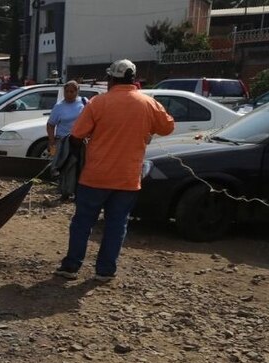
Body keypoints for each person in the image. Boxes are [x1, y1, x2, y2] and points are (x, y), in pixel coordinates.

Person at [55, 59, 174, 283]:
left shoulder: (98, 103)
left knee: (82, 223)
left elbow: (77, 135)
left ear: (111, 79)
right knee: (116, 224)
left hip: (95, 177)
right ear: (134, 79)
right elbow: (167, 127)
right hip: (127, 180)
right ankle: (105, 271)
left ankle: (71, 266)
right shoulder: (148, 103)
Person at [47, 81, 87, 201]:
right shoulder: (59, 106)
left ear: (77, 92)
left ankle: (77, 192)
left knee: (79, 165)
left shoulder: (84, 103)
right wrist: (52, 141)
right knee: (65, 166)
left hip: (79, 141)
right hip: (64, 141)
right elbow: (50, 124)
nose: (69, 94)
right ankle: (65, 191)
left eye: (72, 91)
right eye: (67, 91)